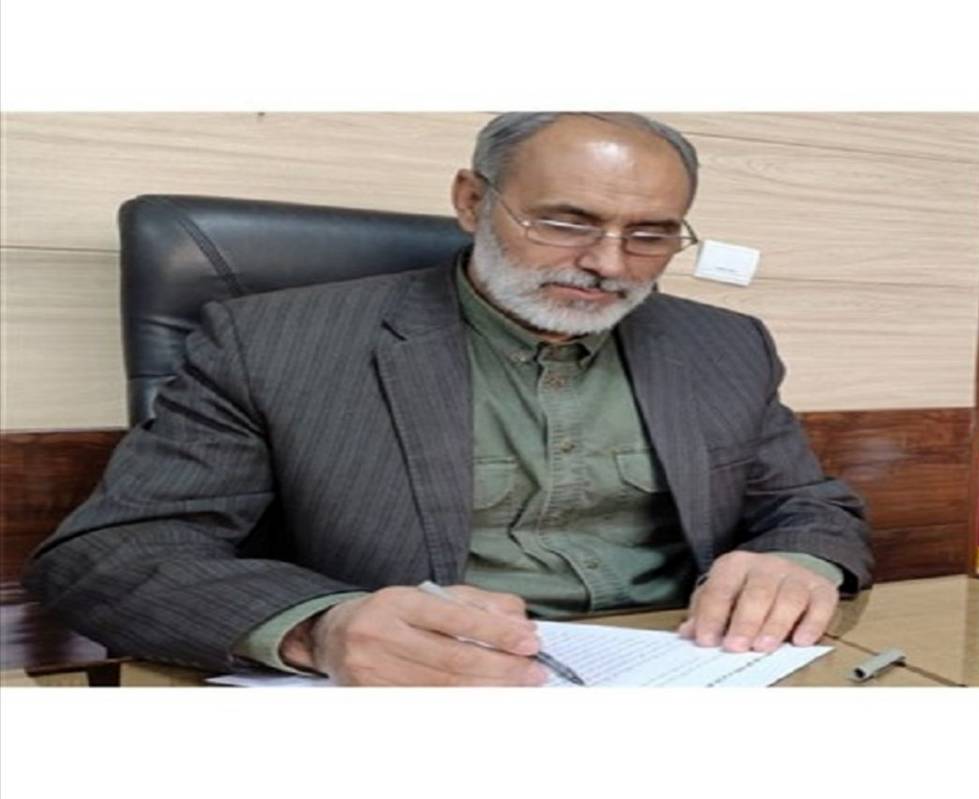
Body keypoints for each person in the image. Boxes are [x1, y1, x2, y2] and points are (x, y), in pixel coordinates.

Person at [25, 112, 872, 686]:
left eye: (649, 234)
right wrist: (320, 628)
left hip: (690, 671)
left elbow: (809, 505)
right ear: (472, 200)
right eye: (566, 221)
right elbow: (112, 554)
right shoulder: (274, 340)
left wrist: (799, 559)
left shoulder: (722, 343)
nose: (609, 264)